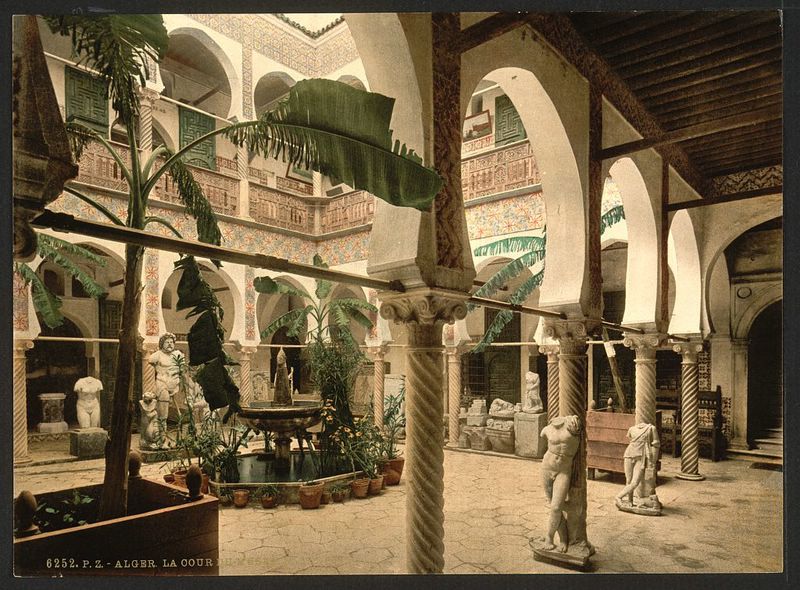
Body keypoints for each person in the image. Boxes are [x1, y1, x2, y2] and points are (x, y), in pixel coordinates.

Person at [540, 415, 581, 552]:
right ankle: (562, 538)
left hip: (563, 471)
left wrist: (573, 418)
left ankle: (549, 536)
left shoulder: (573, 425)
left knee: (556, 507)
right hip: (547, 467)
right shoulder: (547, 429)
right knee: (552, 504)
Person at [615, 422, 660, 508]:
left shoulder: (651, 428)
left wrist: (652, 461)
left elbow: (656, 445)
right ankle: (630, 501)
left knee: (634, 482)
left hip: (641, 458)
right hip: (628, 455)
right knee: (628, 480)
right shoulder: (631, 429)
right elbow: (631, 442)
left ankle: (618, 497)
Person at [148, 333, 185, 420]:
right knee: (164, 398)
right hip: (162, 383)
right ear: (162, 344)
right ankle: (162, 422)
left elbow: (182, 368)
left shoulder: (177, 354)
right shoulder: (158, 354)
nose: (169, 344)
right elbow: (151, 361)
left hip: (175, 384)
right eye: (167, 342)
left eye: (171, 342)